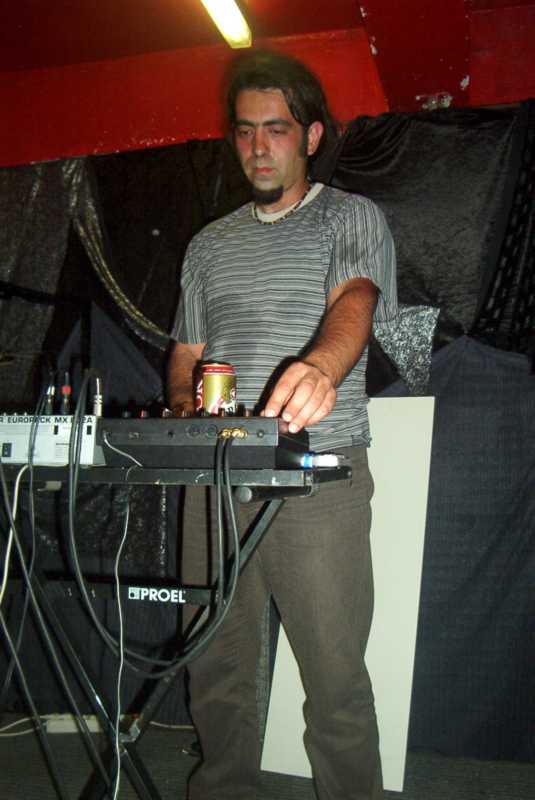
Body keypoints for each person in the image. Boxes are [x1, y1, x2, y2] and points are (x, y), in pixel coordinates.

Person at [167, 50, 397, 800]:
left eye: (276, 129)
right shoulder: (207, 245)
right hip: (214, 478)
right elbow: (186, 354)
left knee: (333, 675)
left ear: (311, 136)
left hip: (315, 475)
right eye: (245, 131)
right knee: (216, 664)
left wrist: (321, 368)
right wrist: (183, 419)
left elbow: (355, 298)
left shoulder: (349, 216)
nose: (258, 147)